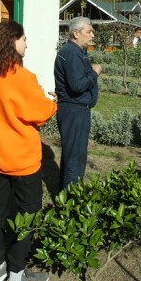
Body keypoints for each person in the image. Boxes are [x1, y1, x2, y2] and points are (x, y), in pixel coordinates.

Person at [0, 21, 58, 281]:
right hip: (23, 162)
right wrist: (53, 102)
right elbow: (41, 112)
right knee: (27, 215)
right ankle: (16, 278)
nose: (27, 44)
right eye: (24, 39)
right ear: (12, 43)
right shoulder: (23, 77)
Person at [54, 16, 102, 190]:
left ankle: (65, 198)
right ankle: (69, 204)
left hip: (75, 110)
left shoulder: (75, 52)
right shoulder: (72, 53)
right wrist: (95, 73)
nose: (92, 36)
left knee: (72, 156)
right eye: (89, 32)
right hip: (74, 111)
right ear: (76, 33)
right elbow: (77, 84)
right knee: (75, 159)